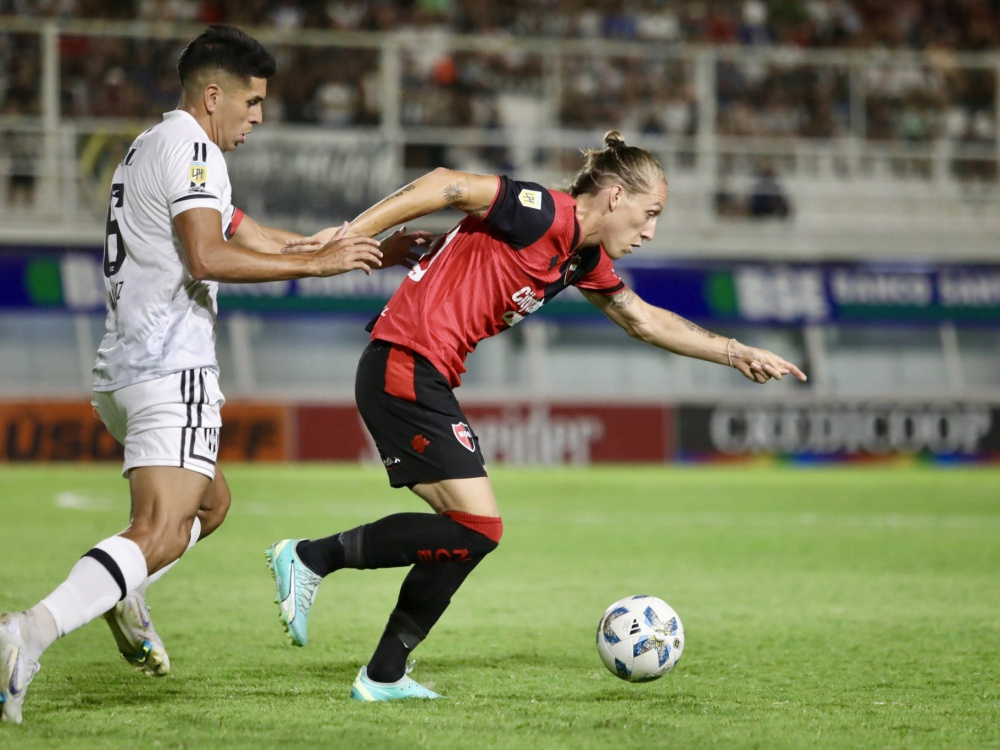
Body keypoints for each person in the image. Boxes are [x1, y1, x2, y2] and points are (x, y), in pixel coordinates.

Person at [265, 130, 807, 702]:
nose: (650, 231)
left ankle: (384, 674)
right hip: (404, 362)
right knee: (478, 529)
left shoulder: (582, 256)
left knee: (470, 534)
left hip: (420, 372)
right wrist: (352, 235)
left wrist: (735, 352)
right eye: (650, 214)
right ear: (616, 196)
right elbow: (445, 184)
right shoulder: (541, 211)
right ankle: (310, 557)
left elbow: (643, 320)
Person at [0, 25, 392, 725]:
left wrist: (339, 245)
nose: (259, 116)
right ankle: (28, 633)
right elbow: (209, 255)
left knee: (211, 506)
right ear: (214, 95)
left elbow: (246, 232)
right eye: (253, 101)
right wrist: (315, 266)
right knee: (158, 528)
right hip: (169, 366)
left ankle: (123, 590)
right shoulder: (195, 148)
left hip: (124, 370)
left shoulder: (152, 145)